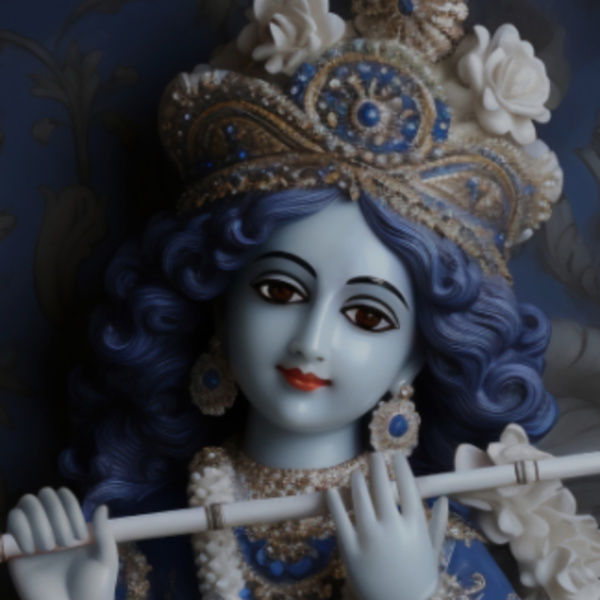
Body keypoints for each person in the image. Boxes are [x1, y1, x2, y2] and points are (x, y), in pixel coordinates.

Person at [6, 1, 586, 599]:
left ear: (415, 356)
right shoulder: (140, 539)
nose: (311, 341)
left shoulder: (436, 552)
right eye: (280, 291)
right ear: (222, 304)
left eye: (367, 316)